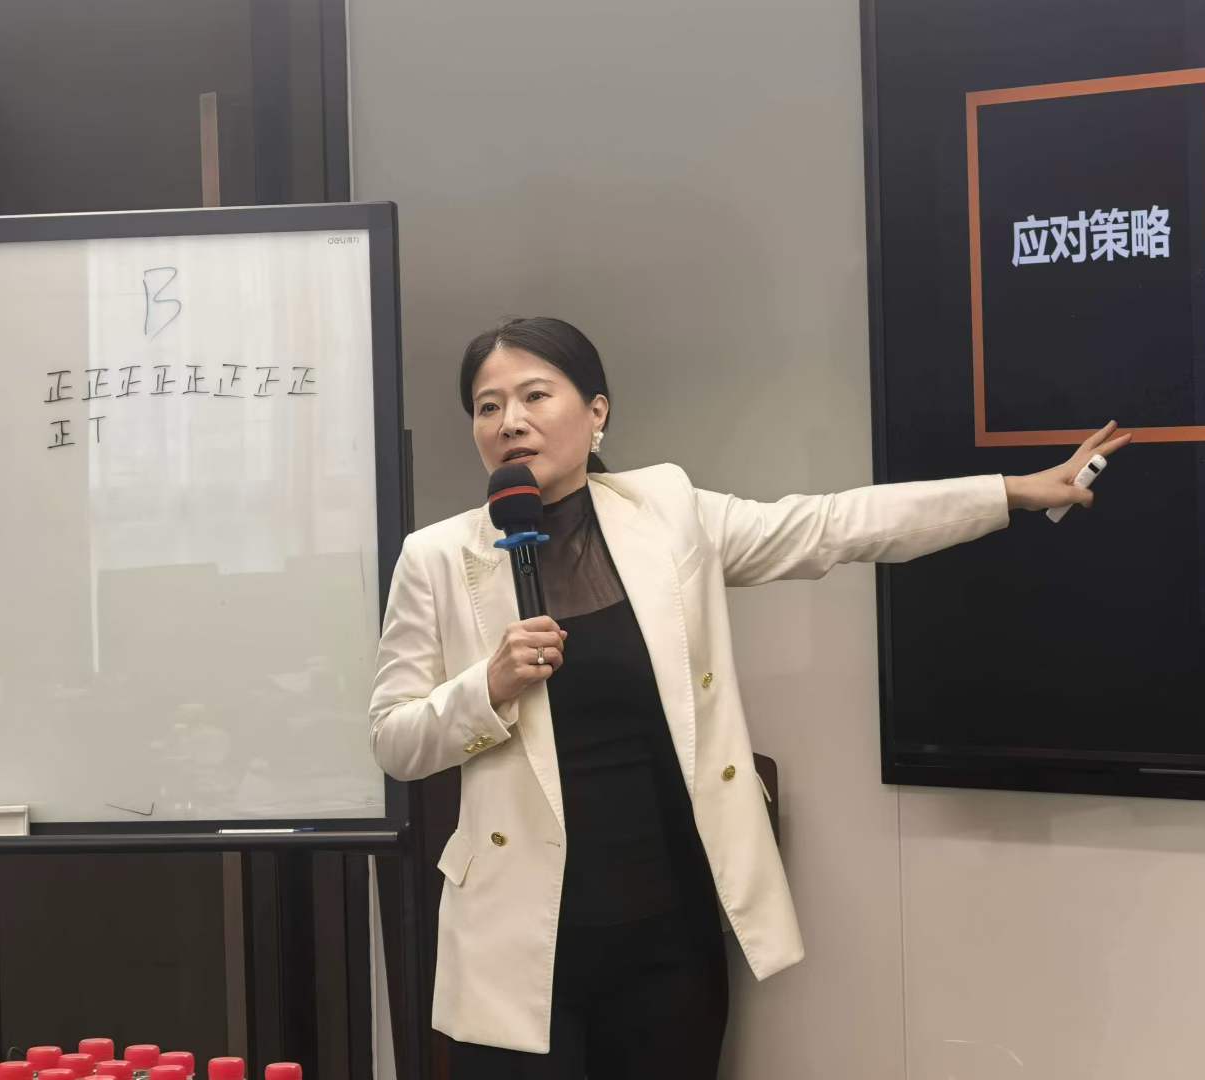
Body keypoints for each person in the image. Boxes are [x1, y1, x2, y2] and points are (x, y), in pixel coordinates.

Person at [368, 316, 1130, 1078]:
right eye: (488, 406)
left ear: (597, 412)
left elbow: (829, 526)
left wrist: (1010, 493)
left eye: (535, 395)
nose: (511, 421)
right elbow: (394, 740)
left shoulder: (667, 512)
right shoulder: (436, 560)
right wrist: (487, 687)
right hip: (518, 945)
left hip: (667, 930)